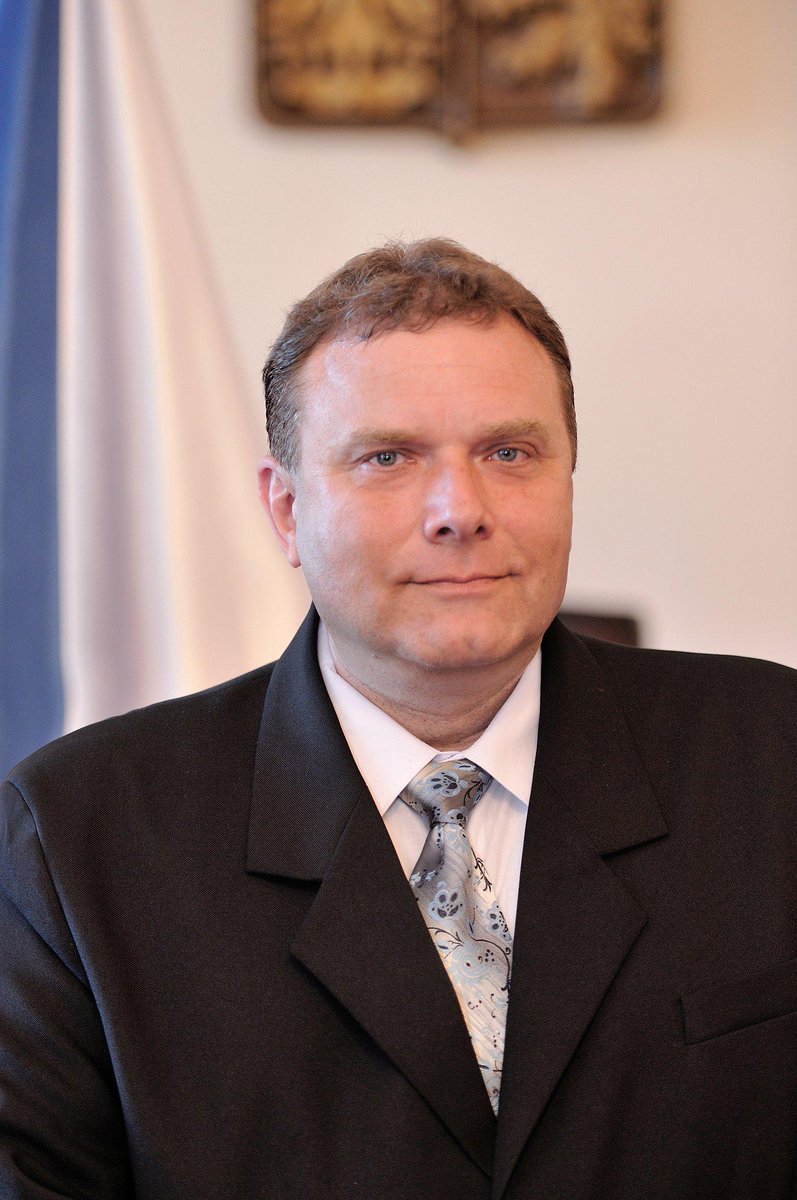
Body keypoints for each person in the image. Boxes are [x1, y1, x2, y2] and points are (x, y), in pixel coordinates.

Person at [1, 238, 796, 1200]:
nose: (460, 510)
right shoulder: (77, 837)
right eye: (387, 458)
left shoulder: (771, 756)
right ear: (285, 510)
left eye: (508, 453)